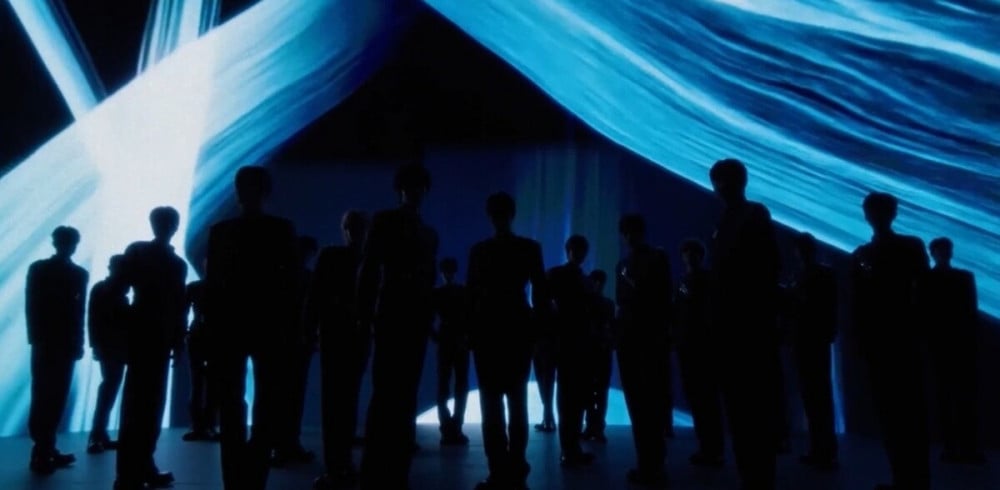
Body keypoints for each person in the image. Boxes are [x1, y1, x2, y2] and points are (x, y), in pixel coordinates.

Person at [207, 166, 299, 490]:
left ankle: (234, 479)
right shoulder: (281, 229)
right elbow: (290, 285)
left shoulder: (221, 232)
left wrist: (211, 328)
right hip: (268, 326)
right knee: (266, 404)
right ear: (267, 191)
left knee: (232, 405)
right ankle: (255, 478)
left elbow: (213, 287)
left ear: (238, 191)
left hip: (230, 327)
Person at [357, 161, 439, 490]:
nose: (415, 192)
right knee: (394, 392)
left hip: (399, 316)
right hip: (397, 316)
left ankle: (384, 469)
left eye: (419, 187)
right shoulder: (420, 231)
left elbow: (370, 270)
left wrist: (366, 314)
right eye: (411, 187)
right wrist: (365, 314)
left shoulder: (407, 227)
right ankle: (386, 469)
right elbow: (370, 270)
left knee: (396, 392)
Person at [467, 191, 548, 490]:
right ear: (512, 214)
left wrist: (470, 334)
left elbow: (472, 296)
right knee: (516, 403)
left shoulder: (480, 251)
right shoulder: (529, 248)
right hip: (517, 331)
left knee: (492, 406)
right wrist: (539, 334)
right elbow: (541, 295)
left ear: (490, 216)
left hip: (489, 332)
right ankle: (515, 468)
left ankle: (498, 471)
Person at [708, 159, 781, 489]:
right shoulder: (729, 219)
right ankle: (750, 475)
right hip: (734, 325)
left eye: (721, 182)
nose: (719, 189)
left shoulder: (752, 215)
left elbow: (767, 268)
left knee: (752, 404)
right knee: (740, 405)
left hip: (747, 326)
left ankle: (758, 476)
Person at [851, 192, 930, 490]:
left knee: (893, 412)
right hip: (900, 339)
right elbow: (924, 290)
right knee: (904, 412)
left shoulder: (863, 254)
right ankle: (912, 479)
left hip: (886, 340)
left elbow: (859, 303)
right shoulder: (909, 247)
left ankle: (905, 478)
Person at [114, 206, 188, 490]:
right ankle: (138, 469)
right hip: (157, 337)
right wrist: (177, 340)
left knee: (138, 405)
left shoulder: (138, 251)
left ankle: (134, 471)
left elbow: (118, 289)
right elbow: (179, 306)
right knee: (148, 405)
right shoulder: (175, 263)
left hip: (144, 336)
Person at [311, 211, 371, 490]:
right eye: (351, 227)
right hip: (350, 338)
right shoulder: (367, 260)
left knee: (335, 402)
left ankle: (337, 465)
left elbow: (315, 297)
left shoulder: (331, 256)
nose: (352, 232)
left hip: (337, 337)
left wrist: (310, 331)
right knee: (345, 400)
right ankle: (341, 463)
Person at [25, 226, 88, 475]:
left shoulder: (40, 269)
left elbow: (33, 305)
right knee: (48, 395)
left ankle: (44, 448)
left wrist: (37, 338)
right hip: (55, 342)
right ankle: (43, 449)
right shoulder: (75, 273)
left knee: (49, 395)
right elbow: (77, 311)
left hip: (53, 342)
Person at [615, 213, 672, 488]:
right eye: (627, 232)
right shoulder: (629, 263)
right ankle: (650, 464)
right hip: (638, 339)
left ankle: (651, 465)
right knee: (642, 404)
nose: (629, 237)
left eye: (632, 231)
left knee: (645, 404)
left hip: (643, 339)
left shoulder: (644, 261)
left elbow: (658, 297)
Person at [923, 237, 983, 465]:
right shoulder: (963, 277)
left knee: (951, 398)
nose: (945, 254)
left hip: (947, 344)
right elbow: (970, 311)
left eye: (945, 250)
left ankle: (956, 447)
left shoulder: (928, 278)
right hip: (954, 344)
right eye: (942, 250)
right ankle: (963, 447)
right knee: (956, 398)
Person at [786, 232, 838, 469]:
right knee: (816, 395)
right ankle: (822, 448)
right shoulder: (813, 274)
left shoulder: (811, 275)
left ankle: (823, 449)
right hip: (809, 340)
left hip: (811, 339)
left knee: (816, 395)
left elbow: (824, 306)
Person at [674, 239, 725, 468]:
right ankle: (708, 447)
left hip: (702, 346)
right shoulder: (687, 281)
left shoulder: (704, 280)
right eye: (687, 253)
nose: (690, 257)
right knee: (699, 398)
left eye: (693, 253)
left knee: (705, 398)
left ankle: (711, 448)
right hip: (690, 345)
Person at [548, 235, 596, 467]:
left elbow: (544, 303)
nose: (579, 254)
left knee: (572, 396)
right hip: (573, 343)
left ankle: (570, 447)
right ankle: (570, 448)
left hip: (572, 342)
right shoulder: (582, 280)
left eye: (581, 250)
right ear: (568, 250)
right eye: (576, 250)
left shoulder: (558, 275)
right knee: (571, 396)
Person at [274, 236, 320, 466]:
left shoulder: (280, 276)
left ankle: (281, 444)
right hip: (298, 343)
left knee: (282, 394)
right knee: (293, 394)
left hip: (286, 342)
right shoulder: (307, 278)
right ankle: (289, 443)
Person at [87, 254, 129, 454]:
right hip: (111, 347)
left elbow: (93, 319)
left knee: (109, 387)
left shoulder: (110, 291)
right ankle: (97, 434)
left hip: (114, 347)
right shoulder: (109, 291)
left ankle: (99, 434)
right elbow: (93, 319)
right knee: (109, 387)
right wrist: (95, 344)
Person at [432, 257, 472, 445]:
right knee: (460, 385)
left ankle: (447, 427)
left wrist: (436, 337)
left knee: (444, 385)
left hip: (447, 340)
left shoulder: (437, 293)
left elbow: (428, 320)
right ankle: (456, 426)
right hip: (460, 340)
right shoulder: (462, 291)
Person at [183, 269, 218, 442]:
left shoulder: (194, 287)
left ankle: (198, 426)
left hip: (198, 335)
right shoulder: (220, 287)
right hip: (211, 337)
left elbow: (182, 311)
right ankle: (207, 425)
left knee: (198, 383)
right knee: (209, 384)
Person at [581, 269, 614, 444]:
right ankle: (596, 427)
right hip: (599, 351)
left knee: (595, 392)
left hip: (595, 352)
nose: (598, 285)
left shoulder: (588, 304)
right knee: (597, 393)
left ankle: (593, 427)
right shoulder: (607, 304)